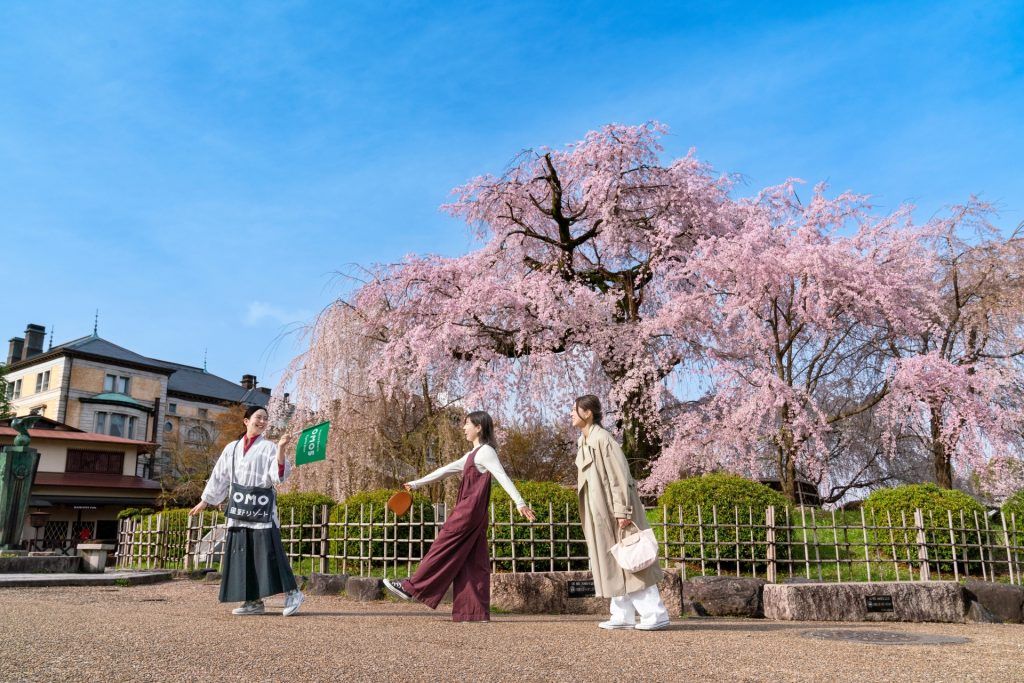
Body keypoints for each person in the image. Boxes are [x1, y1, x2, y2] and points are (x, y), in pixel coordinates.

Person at [383, 411, 537, 622]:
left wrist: (520, 502)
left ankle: (412, 587)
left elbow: (503, 477)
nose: (464, 428)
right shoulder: (472, 455)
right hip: (476, 516)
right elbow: (445, 471)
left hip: (467, 513)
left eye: (467, 424)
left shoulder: (486, 452)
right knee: (474, 561)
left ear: (479, 427)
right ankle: (474, 611)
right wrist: (416, 483)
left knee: (441, 546)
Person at [189, 405, 304, 617]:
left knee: (269, 553)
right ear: (246, 420)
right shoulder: (231, 448)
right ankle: (252, 601)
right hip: (239, 508)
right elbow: (220, 475)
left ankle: (293, 592)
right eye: (258, 417)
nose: (262, 421)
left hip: (261, 508)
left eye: (265, 419)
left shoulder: (269, 447)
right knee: (243, 555)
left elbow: (277, 477)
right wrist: (205, 500)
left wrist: (281, 448)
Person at [572, 395, 670, 630]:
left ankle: (655, 614)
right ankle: (622, 615)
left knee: (633, 560)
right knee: (612, 561)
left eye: (574, 410)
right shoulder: (584, 441)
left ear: (588, 413)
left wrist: (623, 510)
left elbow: (619, 476)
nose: (571, 414)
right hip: (600, 512)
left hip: (616, 511)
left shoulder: (603, 440)